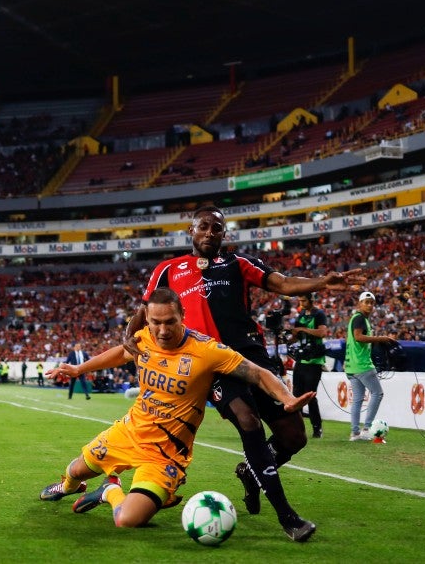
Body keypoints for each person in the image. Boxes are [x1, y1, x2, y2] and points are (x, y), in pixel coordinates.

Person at [124, 205, 363, 541]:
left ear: (224, 234)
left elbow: (282, 283)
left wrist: (322, 282)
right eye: (204, 226)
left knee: (294, 437)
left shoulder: (238, 263)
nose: (210, 233)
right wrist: (127, 336)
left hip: (252, 356)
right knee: (248, 421)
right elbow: (145, 308)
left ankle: (252, 475)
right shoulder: (168, 269)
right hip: (210, 362)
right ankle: (287, 517)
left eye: (217, 228)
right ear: (190, 230)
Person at [39, 289, 315, 533]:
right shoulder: (143, 338)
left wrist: (286, 398)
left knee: (128, 519)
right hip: (128, 432)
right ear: (147, 320)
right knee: (75, 470)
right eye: (155, 322)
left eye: (169, 322)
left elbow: (256, 373)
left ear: (182, 315)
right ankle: (67, 488)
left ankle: (110, 490)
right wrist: (78, 369)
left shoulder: (207, 351)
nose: (162, 330)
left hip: (165, 456)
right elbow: (120, 353)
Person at [345, 291, 397, 440]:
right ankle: (367, 428)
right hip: (362, 365)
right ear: (360, 303)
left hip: (352, 366)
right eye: (366, 302)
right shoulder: (360, 318)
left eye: (371, 303)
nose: (369, 305)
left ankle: (355, 433)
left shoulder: (357, 318)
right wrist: (381, 338)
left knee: (358, 399)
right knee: (377, 393)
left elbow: (352, 340)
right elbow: (358, 337)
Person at [288, 293, 329, 438]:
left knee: (310, 395)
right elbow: (296, 336)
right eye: (299, 301)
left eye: (303, 300)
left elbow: (322, 332)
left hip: (314, 361)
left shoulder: (319, 314)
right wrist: (289, 337)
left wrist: (303, 330)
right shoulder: (301, 315)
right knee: (297, 396)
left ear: (311, 300)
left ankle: (317, 428)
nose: (301, 303)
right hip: (301, 360)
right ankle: (298, 428)